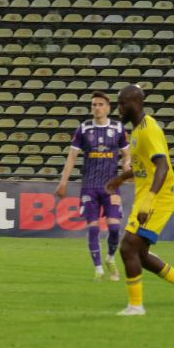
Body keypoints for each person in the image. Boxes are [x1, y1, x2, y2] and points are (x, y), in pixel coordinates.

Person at [104, 85, 174, 316]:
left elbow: (162, 166)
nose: (118, 108)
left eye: (122, 103)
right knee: (139, 254)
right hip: (146, 196)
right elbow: (143, 167)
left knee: (128, 247)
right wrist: (120, 178)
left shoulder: (149, 129)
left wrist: (149, 200)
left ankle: (136, 306)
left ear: (135, 103)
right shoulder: (137, 131)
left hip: (158, 198)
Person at [55, 91, 130, 281]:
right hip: (89, 186)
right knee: (94, 228)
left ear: (108, 108)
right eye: (94, 105)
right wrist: (63, 182)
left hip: (111, 186)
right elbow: (72, 157)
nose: (96, 108)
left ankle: (110, 258)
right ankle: (98, 269)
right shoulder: (83, 129)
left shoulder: (118, 128)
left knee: (115, 227)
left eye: (100, 104)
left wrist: (127, 166)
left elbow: (127, 154)